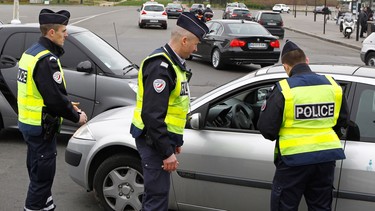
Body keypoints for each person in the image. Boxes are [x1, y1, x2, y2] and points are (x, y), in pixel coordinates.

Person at [257, 40, 349, 211]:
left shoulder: (284, 89)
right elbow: (343, 121)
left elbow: (267, 129)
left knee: (284, 207)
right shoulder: (332, 85)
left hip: (293, 160)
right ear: (307, 60)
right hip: (326, 159)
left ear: (286, 66)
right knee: (320, 207)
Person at [130, 12, 208, 211]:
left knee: (157, 196)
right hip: (153, 142)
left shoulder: (173, 64)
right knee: (156, 199)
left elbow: (173, 108)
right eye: (195, 43)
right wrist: (166, 152)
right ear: (184, 40)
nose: (196, 48)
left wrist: (175, 140)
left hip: (159, 141)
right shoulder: (161, 67)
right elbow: (152, 115)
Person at [17, 9, 87, 211]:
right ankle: (34, 207)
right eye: (64, 31)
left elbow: (37, 92)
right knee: (42, 178)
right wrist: (76, 116)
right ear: (51, 33)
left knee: (37, 171)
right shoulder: (46, 60)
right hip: (41, 127)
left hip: (30, 124)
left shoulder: (30, 53)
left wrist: (62, 105)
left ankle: (45, 205)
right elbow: (55, 98)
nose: (66, 34)